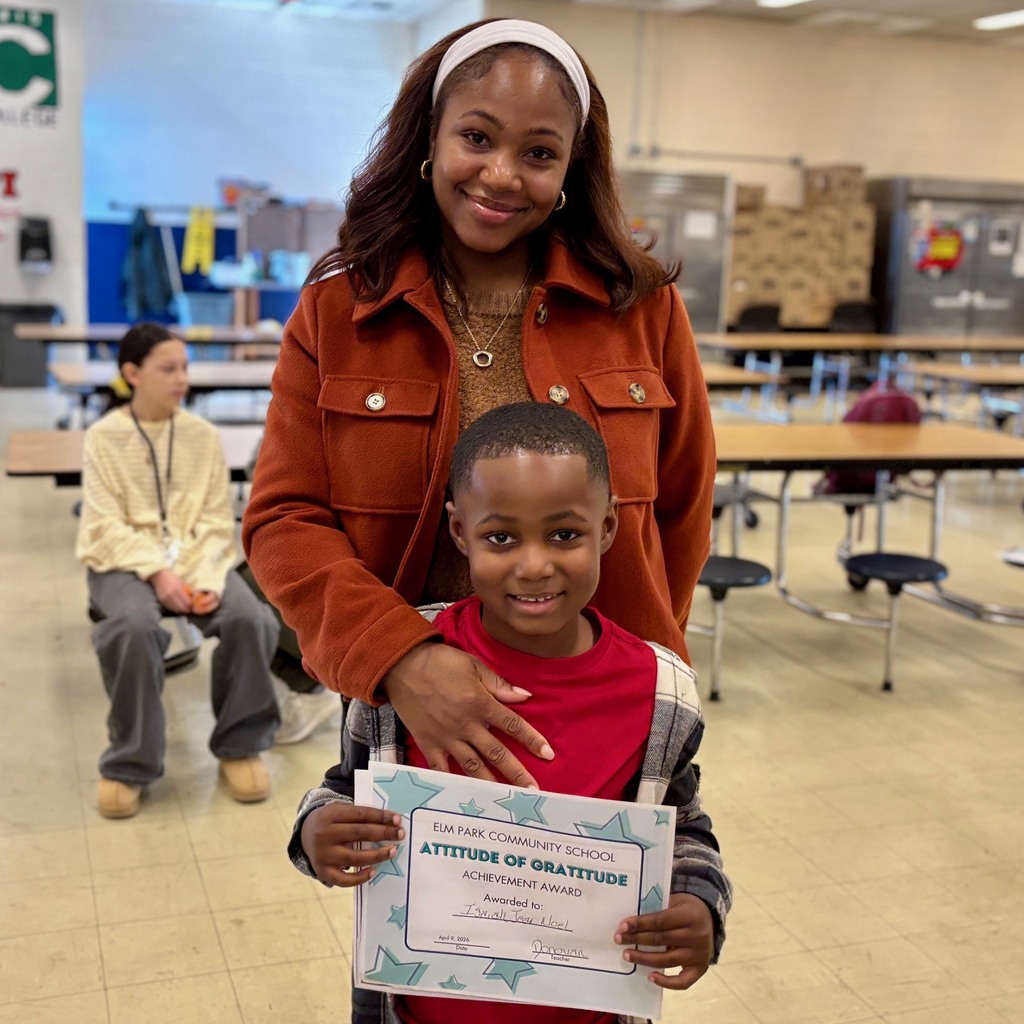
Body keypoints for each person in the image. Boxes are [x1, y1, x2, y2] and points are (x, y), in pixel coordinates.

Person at [242, 18, 716, 788]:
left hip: (600, 712)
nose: (501, 175)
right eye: (478, 137)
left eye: (538, 153)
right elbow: (284, 520)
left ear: (569, 171)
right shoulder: (339, 312)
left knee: (608, 913)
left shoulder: (641, 308)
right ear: (430, 138)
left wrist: (633, 668)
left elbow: (682, 513)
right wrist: (398, 657)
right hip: (409, 707)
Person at [290, 403, 731, 1024]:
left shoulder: (661, 694)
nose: (533, 564)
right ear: (458, 533)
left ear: (608, 528)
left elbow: (684, 828)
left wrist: (698, 902)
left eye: (564, 534)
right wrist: (319, 832)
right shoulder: (400, 671)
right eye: (501, 537)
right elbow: (344, 790)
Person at [77, 322, 281, 818]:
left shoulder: (201, 436)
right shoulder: (103, 437)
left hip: (197, 559)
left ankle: (240, 743)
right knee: (132, 626)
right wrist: (157, 574)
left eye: (185, 368)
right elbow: (104, 524)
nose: (182, 379)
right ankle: (130, 762)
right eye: (168, 369)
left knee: (248, 619)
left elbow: (215, 519)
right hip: (122, 560)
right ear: (132, 373)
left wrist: (205, 579)